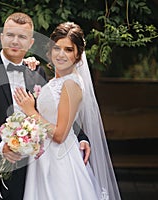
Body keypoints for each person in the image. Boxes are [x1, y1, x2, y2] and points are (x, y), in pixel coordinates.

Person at [0, 13, 91, 200]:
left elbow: (55, 111)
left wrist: (81, 137)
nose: (15, 41)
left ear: (31, 42)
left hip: (31, 174)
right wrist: (1, 146)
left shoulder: (37, 72)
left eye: (22, 37)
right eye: (10, 35)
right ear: (1, 37)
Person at [14, 22, 121, 200]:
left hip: (60, 161)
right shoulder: (58, 81)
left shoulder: (71, 84)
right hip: (44, 158)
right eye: (57, 48)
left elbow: (60, 134)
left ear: (78, 54)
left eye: (68, 49)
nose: (61, 54)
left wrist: (30, 111)